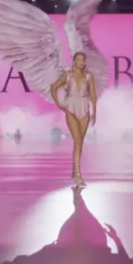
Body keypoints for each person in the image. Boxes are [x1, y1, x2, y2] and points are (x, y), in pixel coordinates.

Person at [50, 52, 98, 189]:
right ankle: (77, 174)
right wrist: (58, 104)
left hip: (84, 109)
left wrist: (94, 111)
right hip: (71, 109)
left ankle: (74, 171)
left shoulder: (88, 76)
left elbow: (93, 95)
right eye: (79, 59)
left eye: (83, 60)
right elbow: (53, 88)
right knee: (77, 141)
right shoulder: (68, 75)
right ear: (74, 61)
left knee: (80, 142)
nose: (81, 62)